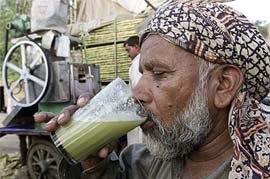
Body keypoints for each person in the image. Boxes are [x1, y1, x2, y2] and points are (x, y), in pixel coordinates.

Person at [35, 2, 270, 179]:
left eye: (159, 73)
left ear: (223, 85)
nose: (137, 92)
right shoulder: (143, 163)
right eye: (142, 73)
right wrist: (92, 163)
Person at [123, 36, 144, 145]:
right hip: (141, 108)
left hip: (139, 108)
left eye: (128, 50)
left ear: (136, 47)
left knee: (138, 140)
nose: (128, 54)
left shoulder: (136, 64)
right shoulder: (142, 61)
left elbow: (137, 89)